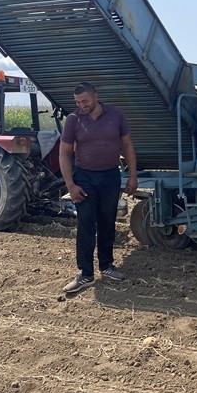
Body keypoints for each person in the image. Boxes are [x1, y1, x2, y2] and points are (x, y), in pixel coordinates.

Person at [59, 82, 138, 294]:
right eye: (77, 102)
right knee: (86, 225)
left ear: (96, 96)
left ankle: (107, 266)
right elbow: (64, 153)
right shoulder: (73, 120)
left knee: (107, 222)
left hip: (110, 176)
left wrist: (132, 175)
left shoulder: (116, 115)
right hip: (85, 179)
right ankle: (85, 274)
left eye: (85, 101)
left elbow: (128, 145)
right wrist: (71, 185)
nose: (82, 105)